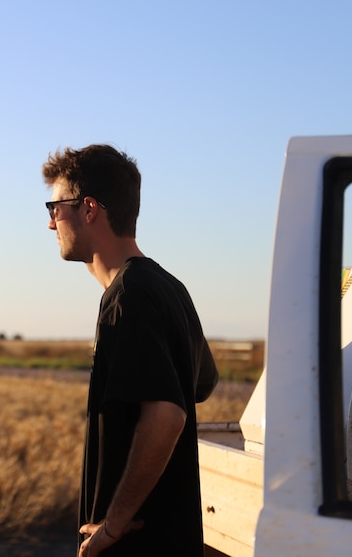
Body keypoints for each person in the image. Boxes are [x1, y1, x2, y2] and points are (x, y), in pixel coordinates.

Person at [41, 143, 218, 557]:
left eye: (55, 209)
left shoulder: (129, 296)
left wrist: (114, 525)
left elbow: (167, 413)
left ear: (88, 209)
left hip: (140, 544)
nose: (51, 224)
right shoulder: (169, 287)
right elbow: (201, 383)